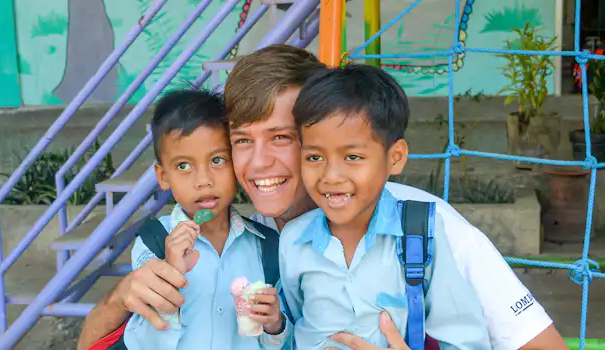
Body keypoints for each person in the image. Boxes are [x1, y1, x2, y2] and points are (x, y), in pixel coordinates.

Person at [78, 45, 568, 350]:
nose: (258, 164)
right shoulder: (241, 234)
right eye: (243, 141)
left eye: (283, 138)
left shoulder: (428, 228)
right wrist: (119, 299)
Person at [278, 63, 492, 349]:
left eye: (352, 157)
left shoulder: (421, 232)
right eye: (315, 158)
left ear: (396, 157)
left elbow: (466, 341)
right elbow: (294, 325)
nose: (331, 176)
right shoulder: (293, 241)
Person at [118, 88, 291, 349]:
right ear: (163, 176)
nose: (204, 180)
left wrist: (275, 324)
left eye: (218, 160)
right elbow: (143, 342)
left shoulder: (267, 245)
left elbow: (276, 343)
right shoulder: (153, 242)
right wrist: (171, 273)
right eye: (183, 166)